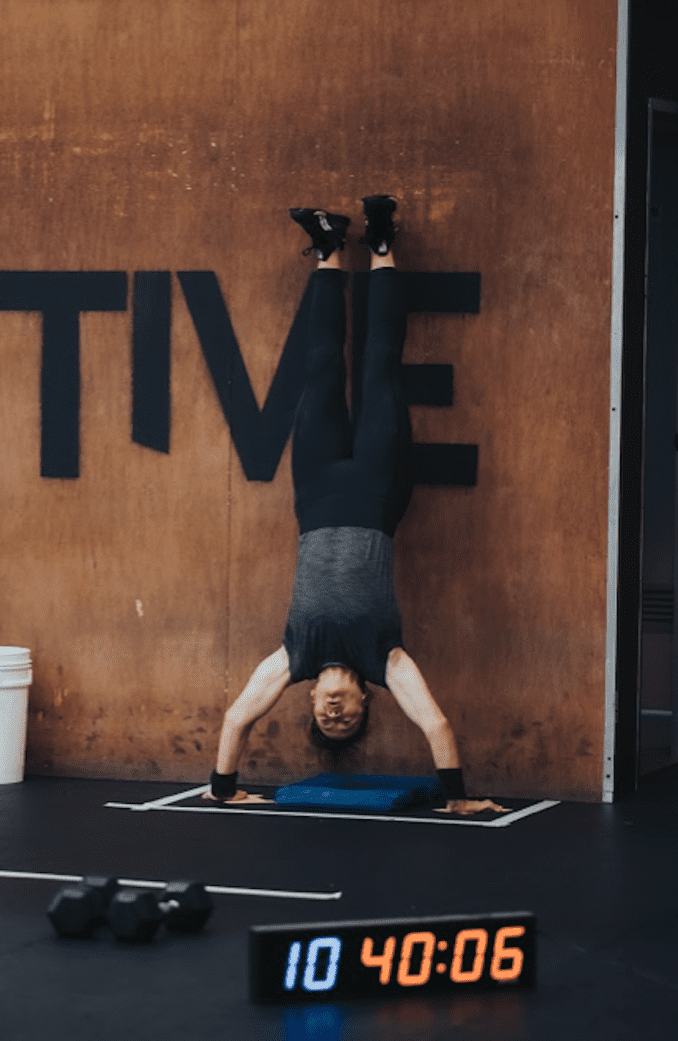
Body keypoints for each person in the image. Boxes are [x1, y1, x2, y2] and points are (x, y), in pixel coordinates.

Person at [204, 196, 501, 815]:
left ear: (310, 701)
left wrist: (224, 789)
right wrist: (457, 800)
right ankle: (384, 245)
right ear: (369, 701)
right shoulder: (385, 660)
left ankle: (331, 247)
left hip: (314, 494)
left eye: (326, 720)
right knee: (380, 369)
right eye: (346, 722)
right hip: (373, 490)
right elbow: (436, 726)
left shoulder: (293, 657)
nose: (334, 713)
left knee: (318, 371)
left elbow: (236, 719)